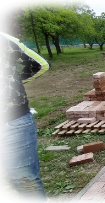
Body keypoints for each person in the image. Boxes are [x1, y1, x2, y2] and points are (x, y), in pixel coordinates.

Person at [0, 32, 52, 203]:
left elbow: (38, 65)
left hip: (13, 120)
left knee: (25, 180)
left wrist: (10, 84)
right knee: (11, 176)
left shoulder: (1, 39)